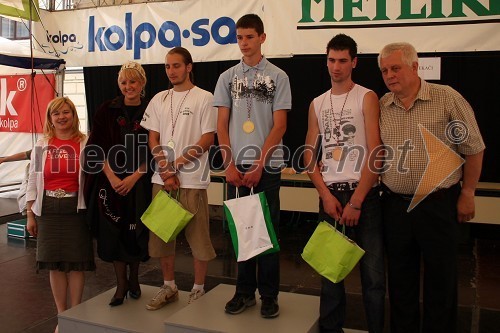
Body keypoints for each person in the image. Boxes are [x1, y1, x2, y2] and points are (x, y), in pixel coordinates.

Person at [378, 42, 485, 333]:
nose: (389, 75)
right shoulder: (381, 106)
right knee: (400, 281)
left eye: (395, 68)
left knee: (441, 281)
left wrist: (468, 193)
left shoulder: (446, 98)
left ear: (415, 66)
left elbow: (474, 148)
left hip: (439, 204)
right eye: (385, 70)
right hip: (395, 205)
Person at [303, 34, 385, 333]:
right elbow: (309, 158)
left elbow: (376, 155)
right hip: (331, 196)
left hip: (364, 196)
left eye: (341, 61)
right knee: (331, 274)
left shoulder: (367, 96)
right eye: (331, 60)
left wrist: (356, 201)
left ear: (354, 62)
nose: (335, 67)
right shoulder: (317, 103)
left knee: (373, 276)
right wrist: (325, 195)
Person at [213, 13, 292, 318]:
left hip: (267, 167)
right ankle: (244, 292)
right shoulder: (227, 77)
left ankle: (269, 295)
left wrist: (259, 164)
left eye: (249, 37)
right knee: (243, 231)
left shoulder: (278, 76)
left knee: (267, 231)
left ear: (262, 38)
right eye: (239, 37)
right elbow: (222, 125)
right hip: (236, 167)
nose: (244, 43)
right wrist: (229, 166)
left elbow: (280, 125)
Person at [140, 47, 217, 310]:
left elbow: (208, 138)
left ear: (189, 67)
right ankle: (169, 286)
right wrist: (164, 167)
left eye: (176, 65)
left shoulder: (204, 98)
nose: (171, 71)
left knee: (198, 239)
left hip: (192, 180)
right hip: (162, 180)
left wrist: (175, 166)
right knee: (163, 237)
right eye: (167, 66)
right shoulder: (159, 99)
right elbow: (153, 137)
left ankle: (198, 289)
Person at [84, 61, 151, 306]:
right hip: (110, 183)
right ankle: (121, 285)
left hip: (140, 181)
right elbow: (95, 147)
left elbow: (156, 148)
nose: (128, 86)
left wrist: (134, 177)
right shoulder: (106, 109)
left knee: (135, 232)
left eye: (133, 81)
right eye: (124, 82)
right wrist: (112, 177)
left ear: (142, 83)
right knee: (114, 232)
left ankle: (134, 279)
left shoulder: (152, 109)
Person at [25, 97, 95, 333]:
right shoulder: (42, 144)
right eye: (56, 113)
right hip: (48, 211)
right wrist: (30, 214)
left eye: (66, 112)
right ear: (50, 118)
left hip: (76, 209)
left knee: (76, 264)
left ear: (74, 115)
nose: (62, 117)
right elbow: (33, 180)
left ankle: (75, 316)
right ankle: (62, 317)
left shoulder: (85, 142)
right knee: (54, 265)